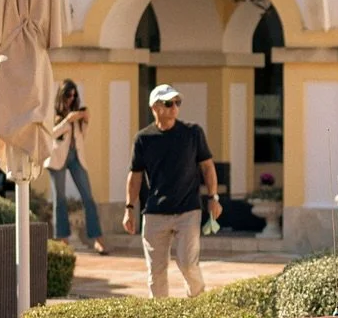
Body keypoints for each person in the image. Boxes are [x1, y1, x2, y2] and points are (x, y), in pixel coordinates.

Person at [124, 84, 222, 299]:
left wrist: (213, 197)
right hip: (154, 214)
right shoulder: (143, 138)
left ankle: (197, 305)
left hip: (188, 211)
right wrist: (129, 208)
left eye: (177, 103)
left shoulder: (193, 133)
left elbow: (207, 166)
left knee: (188, 264)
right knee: (156, 273)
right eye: (168, 103)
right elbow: (135, 175)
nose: (174, 107)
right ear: (154, 107)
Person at [47, 78, 106, 254]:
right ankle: (63, 241)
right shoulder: (53, 114)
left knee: (88, 197)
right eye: (68, 95)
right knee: (60, 199)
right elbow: (50, 135)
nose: (71, 98)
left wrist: (85, 120)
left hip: (76, 157)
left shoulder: (76, 113)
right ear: (62, 96)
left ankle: (98, 239)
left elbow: (82, 137)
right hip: (57, 158)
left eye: (74, 95)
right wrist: (67, 121)